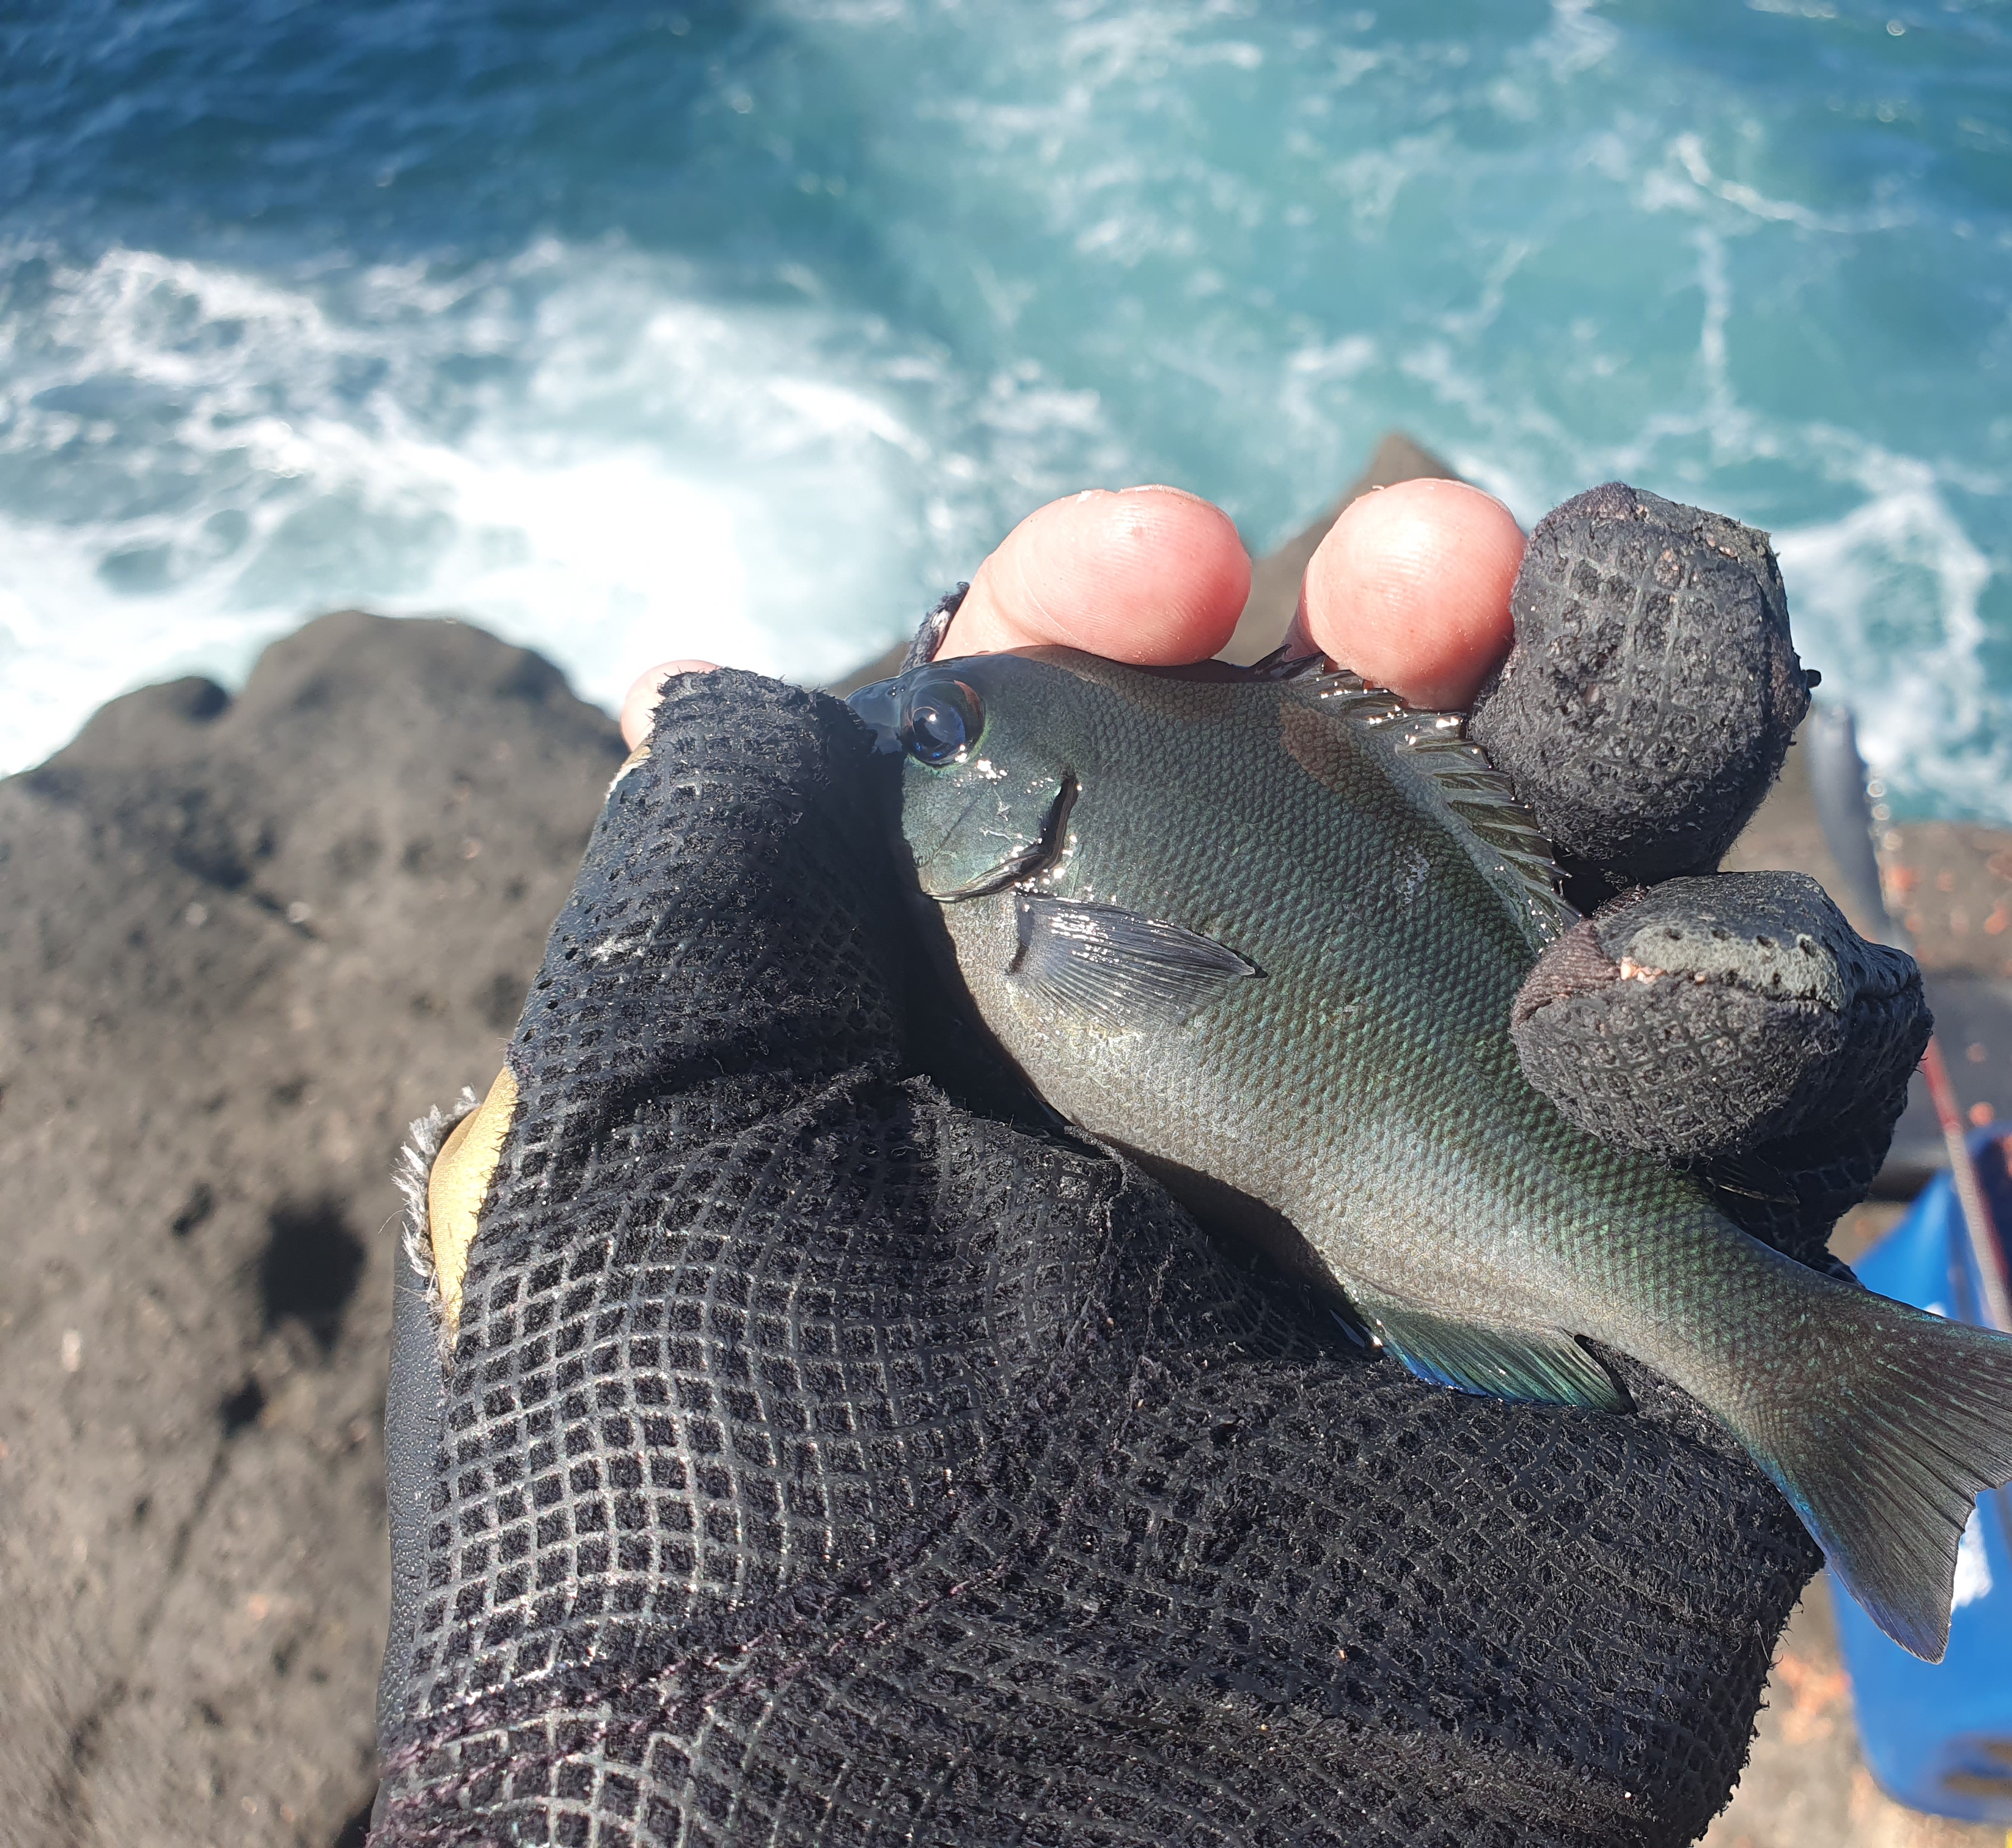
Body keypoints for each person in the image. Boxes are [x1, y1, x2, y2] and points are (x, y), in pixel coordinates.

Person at [371, 478, 1922, 1846]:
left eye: (939, 730)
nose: (889, 735)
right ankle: (1807, 1371)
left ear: (1025, 793)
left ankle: (1811, 1373)